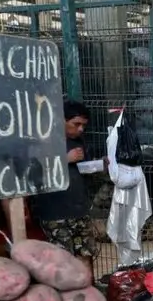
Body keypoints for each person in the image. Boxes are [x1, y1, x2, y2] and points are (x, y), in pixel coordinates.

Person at [28, 100, 103, 275]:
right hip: (55, 212)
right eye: (76, 124)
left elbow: (83, 170)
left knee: (86, 254)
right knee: (62, 259)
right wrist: (64, 159)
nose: (80, 129)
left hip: (79, 209)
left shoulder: (79, 142)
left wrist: (98, 165)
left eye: (83, 125)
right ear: (61, 120)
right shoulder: (44, 141)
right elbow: (34, 173)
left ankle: (88, 292)